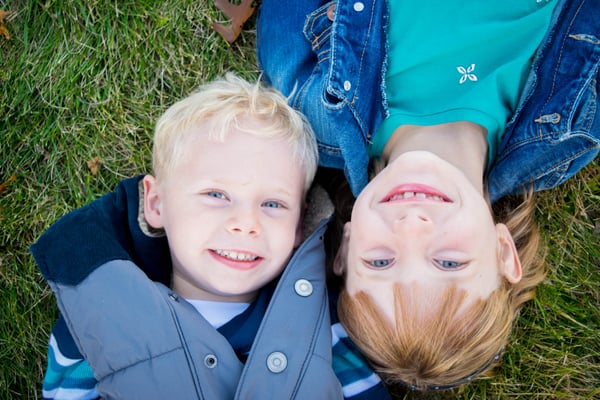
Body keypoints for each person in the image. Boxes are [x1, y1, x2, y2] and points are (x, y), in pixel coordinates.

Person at [257, 0, 600, 392]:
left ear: (346, 245)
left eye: (381, 260)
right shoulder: (570, 133)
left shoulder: (308, 98)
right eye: (449, 262)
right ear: (504, 252)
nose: (412, 228)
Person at [32, 73, 353, 399]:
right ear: (157, 204)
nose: (245, 224)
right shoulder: (93, 323)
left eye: (273, 203)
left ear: (299, 225)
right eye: (216, 195)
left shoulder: (324, 327)